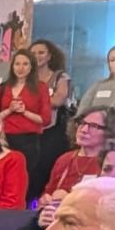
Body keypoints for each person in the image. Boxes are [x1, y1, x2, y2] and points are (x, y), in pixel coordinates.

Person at [0, 49, 53, 198]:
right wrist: (10, 110)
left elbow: (45, 119)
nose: (20, 68)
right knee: (2, 176)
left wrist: (24, 112)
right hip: (4, 139)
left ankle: (22, 205)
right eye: (17, 64)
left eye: (25, 64)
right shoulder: (1, 88)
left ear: (32, 67)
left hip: (28, 141)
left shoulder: (40, 87)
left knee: (25, 179)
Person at [27, 39, 74, 199]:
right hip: (28, 131)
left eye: (41, 52)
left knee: (47, 167)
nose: (37, 56)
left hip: (53, 131)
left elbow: (58, 100)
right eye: (33, 53)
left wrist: (30, 103)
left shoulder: (60, 76)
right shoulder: (25, 77)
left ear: (49, 56)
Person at [43, 106, 115, 196]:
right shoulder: (65, 159)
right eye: (82, 123)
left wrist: (69, 198)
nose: (84, 130)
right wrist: (45, 199)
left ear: (109, 132)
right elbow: (47, 194)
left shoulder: (111, 163)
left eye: (94, 126)